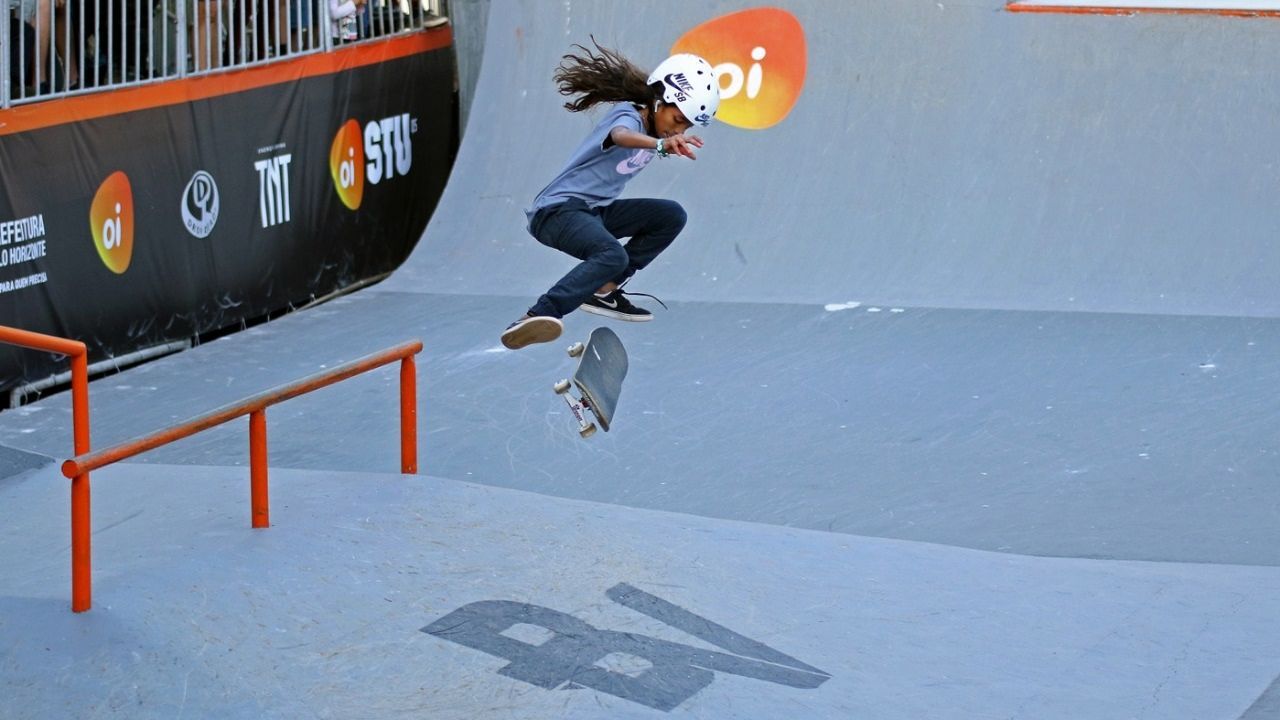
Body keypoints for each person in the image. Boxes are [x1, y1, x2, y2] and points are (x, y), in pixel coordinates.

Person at [500, 39, 720, 350]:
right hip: (555, 212)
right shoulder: (628, 116)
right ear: (659, 102)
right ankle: (538, 313)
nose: (677, 131)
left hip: (593, 212)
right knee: (611, 254)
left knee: (671, 216)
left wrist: (663, 141)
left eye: (686, 126)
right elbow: (620, 137)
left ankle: (605, 288)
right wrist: (658, 145)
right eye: (677, 120)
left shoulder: (658, 129)